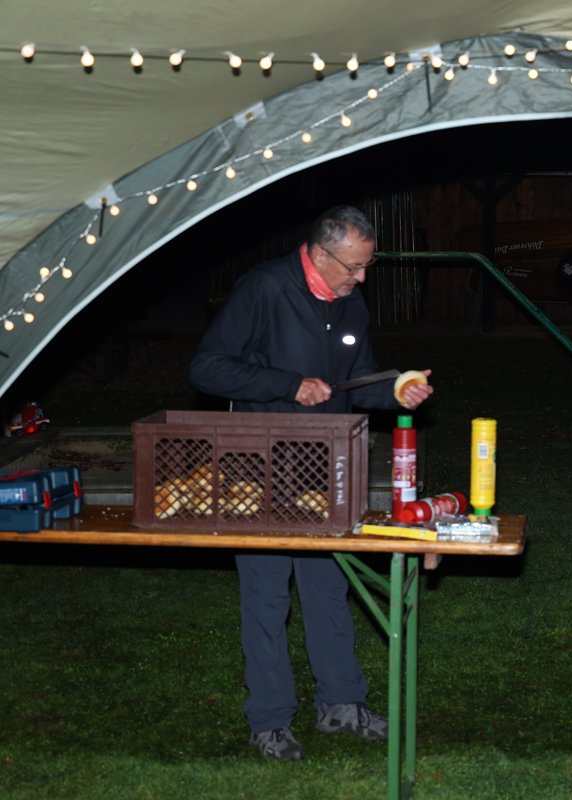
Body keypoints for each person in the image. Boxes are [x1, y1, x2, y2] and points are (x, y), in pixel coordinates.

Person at [189, 205, 434, 761]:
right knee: (267, 596)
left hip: (323, 471)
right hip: (257, 471)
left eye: (367, 265)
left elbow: (355, 382)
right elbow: (207, 367)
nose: (362, 278)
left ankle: (340, 703)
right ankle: (270, 720)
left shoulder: (349, 300)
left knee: (328, 588)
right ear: (320, 254)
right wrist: (287, 384)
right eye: (354, 266)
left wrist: (396, 391)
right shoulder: (264, 289)